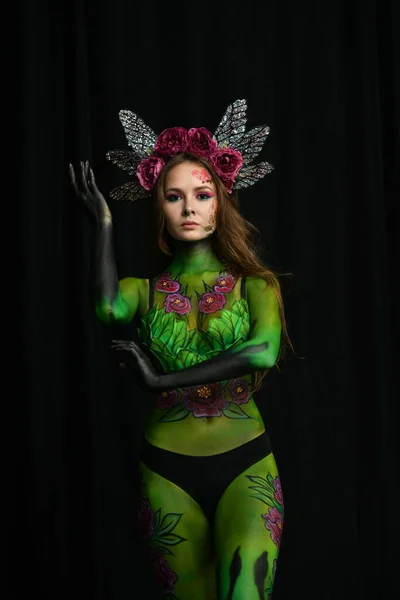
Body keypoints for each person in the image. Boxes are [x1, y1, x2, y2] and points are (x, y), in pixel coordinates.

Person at [69, 99, 291, 600]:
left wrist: (161, 380)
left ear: (220, 203)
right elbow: (106, 308)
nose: (189, 208)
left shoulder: (256, 285)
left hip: (246, 465)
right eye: (174, 196)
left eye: (202, 194)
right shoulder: (143, 291)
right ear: (159, 208)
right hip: (166, 471)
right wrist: (103, 224)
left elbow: (262, 352)